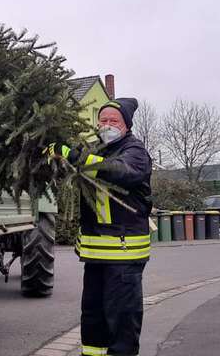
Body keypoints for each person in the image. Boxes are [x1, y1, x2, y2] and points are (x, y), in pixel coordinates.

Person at [47, 98, 153, 356]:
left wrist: (73, 155)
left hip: (123, 255)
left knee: (121, 322)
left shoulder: (135, 152)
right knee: (93, 320)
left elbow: (118, 172)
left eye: (113, 121)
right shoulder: (99, 149)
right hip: (95, 256)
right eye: (103, 120)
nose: (107, 125)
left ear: (126, 125)